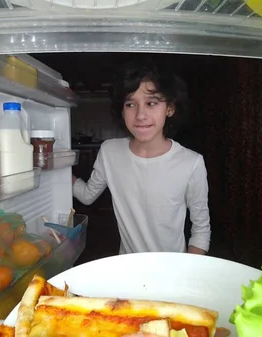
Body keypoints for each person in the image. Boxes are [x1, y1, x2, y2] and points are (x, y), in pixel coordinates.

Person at [72, 58, 212, 255]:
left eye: (151, 103)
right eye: (130, 104)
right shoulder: (110, 152)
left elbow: (201, 229)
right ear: (122, 110)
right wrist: (57, 169)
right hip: (129, 271)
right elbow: (87, 196)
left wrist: (185, 275)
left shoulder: (191, 163)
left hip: (173, 273)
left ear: (169, 108)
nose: (140, 115)